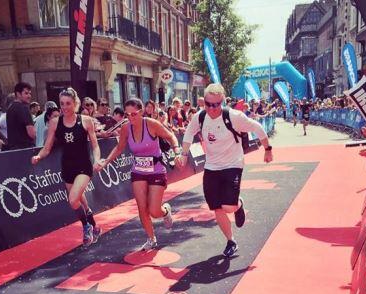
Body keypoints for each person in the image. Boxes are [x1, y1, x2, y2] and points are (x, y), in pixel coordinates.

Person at [177, 83, 274, 258]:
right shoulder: (199, 118)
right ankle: (231, 241)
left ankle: (238, 205)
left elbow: (258, 128)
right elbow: (188, 134)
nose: (212, 108)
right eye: (208, 104)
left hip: (233, 164)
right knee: (217, 207)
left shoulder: (234, 116)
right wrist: (184, 154)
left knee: (228, 206)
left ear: (222, 101)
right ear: (203, 103)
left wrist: (268, 149)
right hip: (211, 167)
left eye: (216, 104)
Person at [95, 97, 179, 251]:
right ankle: (151, 238)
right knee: (142, 208)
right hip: (138, 171)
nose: (130, 118)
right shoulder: (127, 128)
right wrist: (105, 162)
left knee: (154, 211)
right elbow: (120, 148)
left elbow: (170, 136)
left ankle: (165, 211)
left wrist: (178, 151)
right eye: (127, 115)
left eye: (133, 114)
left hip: (156, 170)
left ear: (141, 112)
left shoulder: (151, 124)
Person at [31, 87, 102, 247]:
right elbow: (47, 147)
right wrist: (38, 156)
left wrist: (97, 160)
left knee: (72, 200)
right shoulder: (55, 123)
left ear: (75, 103)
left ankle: (86, 226)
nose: (64, 107)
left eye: (68, 103)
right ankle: (94, 225)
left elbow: (95, 145)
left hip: (84, 166)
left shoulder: (85, 121)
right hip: (67, 167)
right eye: (62, 103)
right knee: (79, 202)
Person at [6, 82, 36, 150]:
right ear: (18, 94)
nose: (29, 96)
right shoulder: (24, 108)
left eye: (30, 93)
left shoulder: (10, 108)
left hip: (13, 151)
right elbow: (32, 133)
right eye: (26, 93)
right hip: (26, 150)